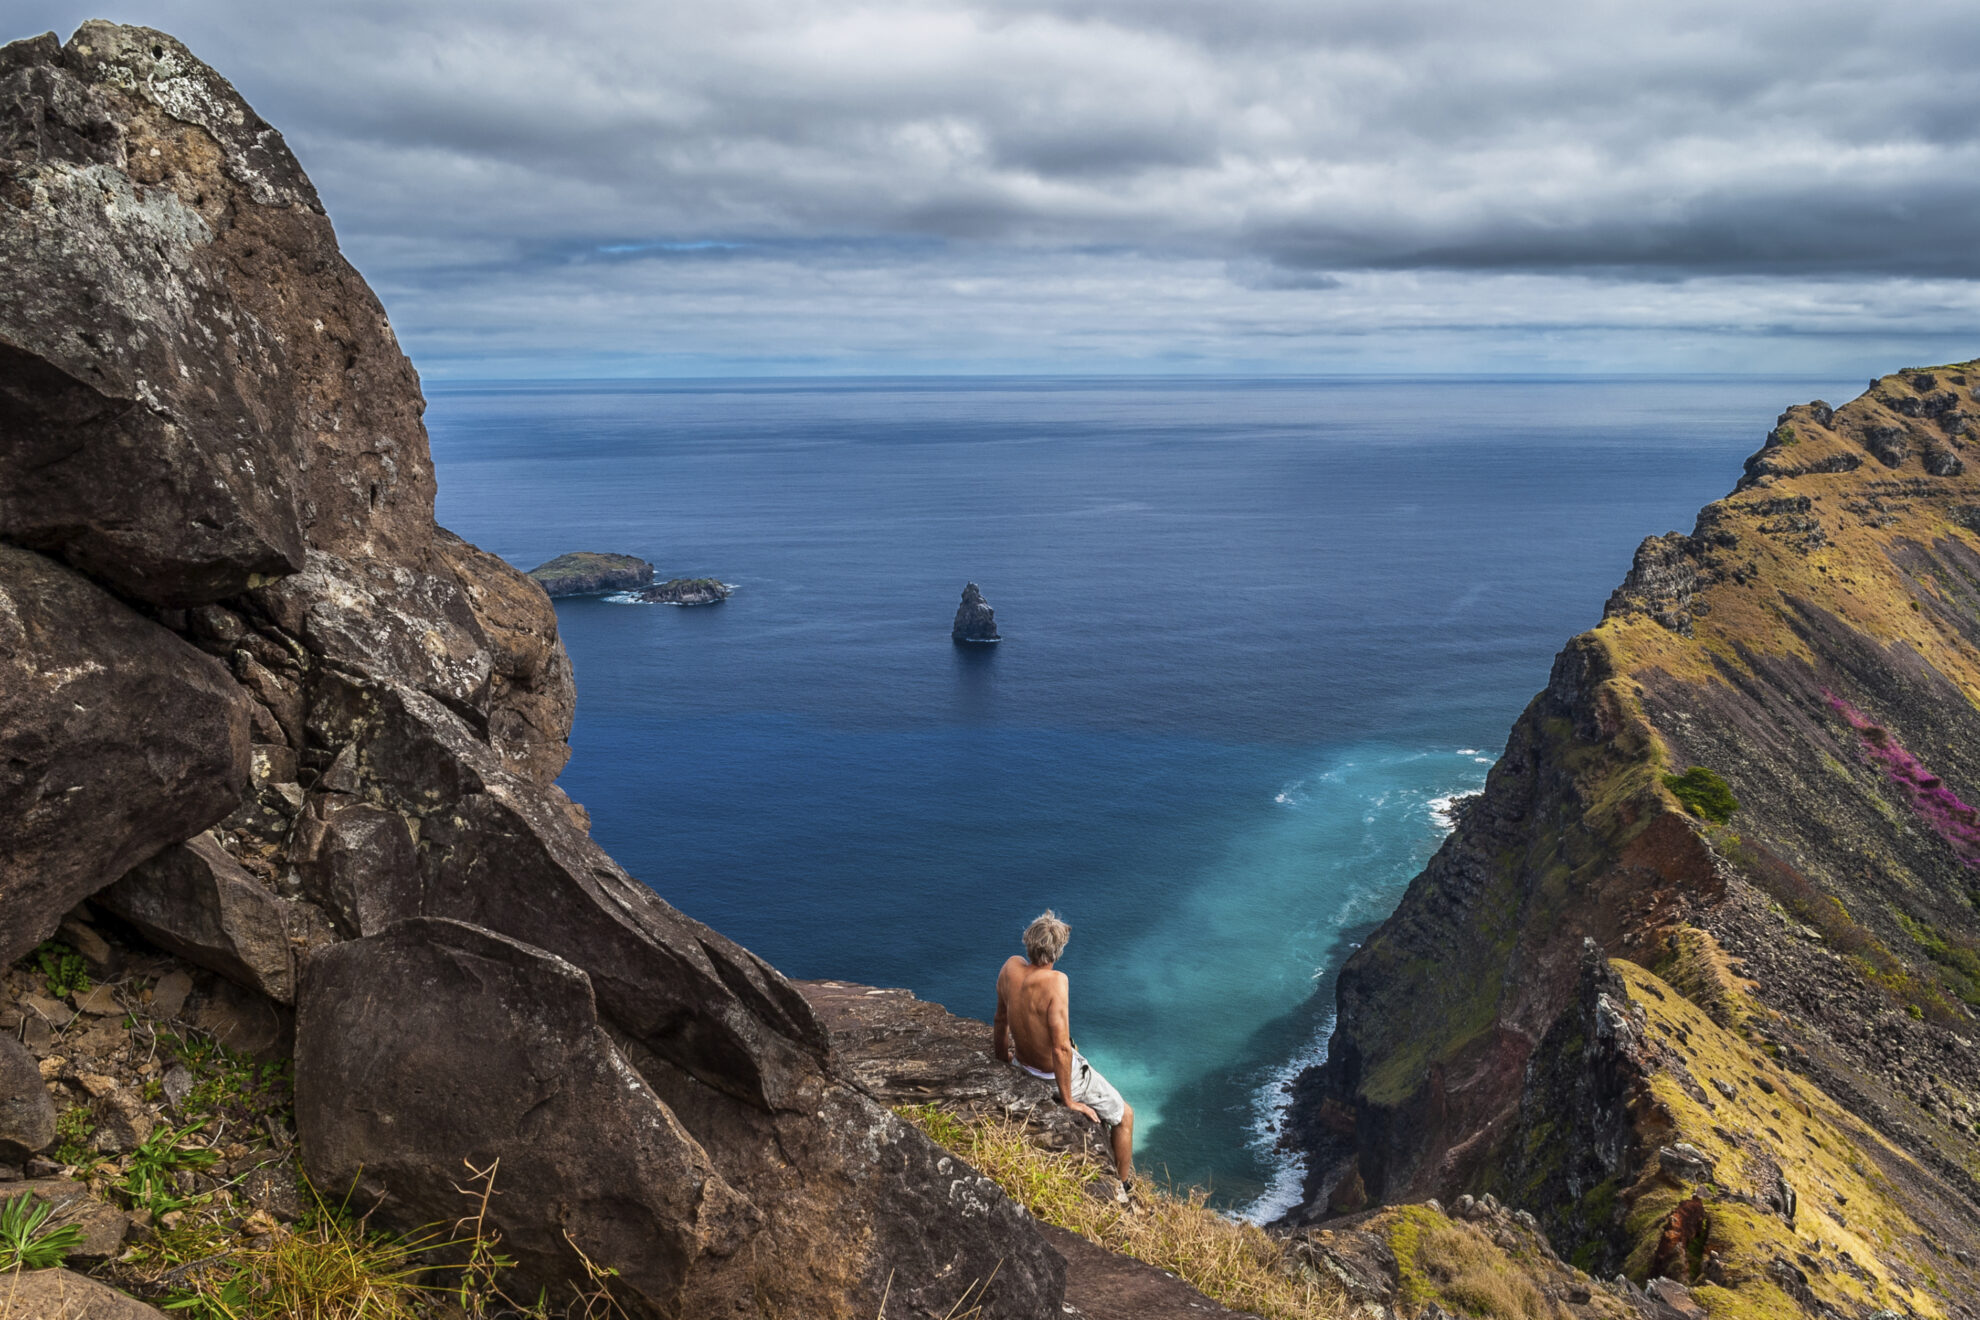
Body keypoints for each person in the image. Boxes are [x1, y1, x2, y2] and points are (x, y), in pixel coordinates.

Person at [993, 909, 1135, 1196]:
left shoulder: (1010, 967)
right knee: (1125, 1116)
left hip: (1022, 1064)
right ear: (1057, 951)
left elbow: (1000, 1020)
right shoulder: (1057, 981)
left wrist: (1003, 1061)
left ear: (1028, 941)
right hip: (1053, 1075)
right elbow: (1060, 1048)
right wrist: (1069, 1100)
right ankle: (1121, 1189)